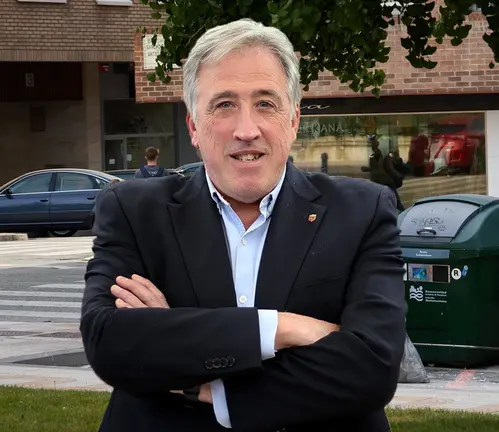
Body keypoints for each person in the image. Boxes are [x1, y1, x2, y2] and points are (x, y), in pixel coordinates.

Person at [80, 18, 406, 432]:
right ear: (194, 127)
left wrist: (190, 372)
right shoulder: (133, 210)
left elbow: (373, 366)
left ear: (294, 120)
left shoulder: (362, 211)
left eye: (266, 103)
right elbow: (110, 342)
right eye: (224, 105)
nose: (247, 130)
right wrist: (282, 327)